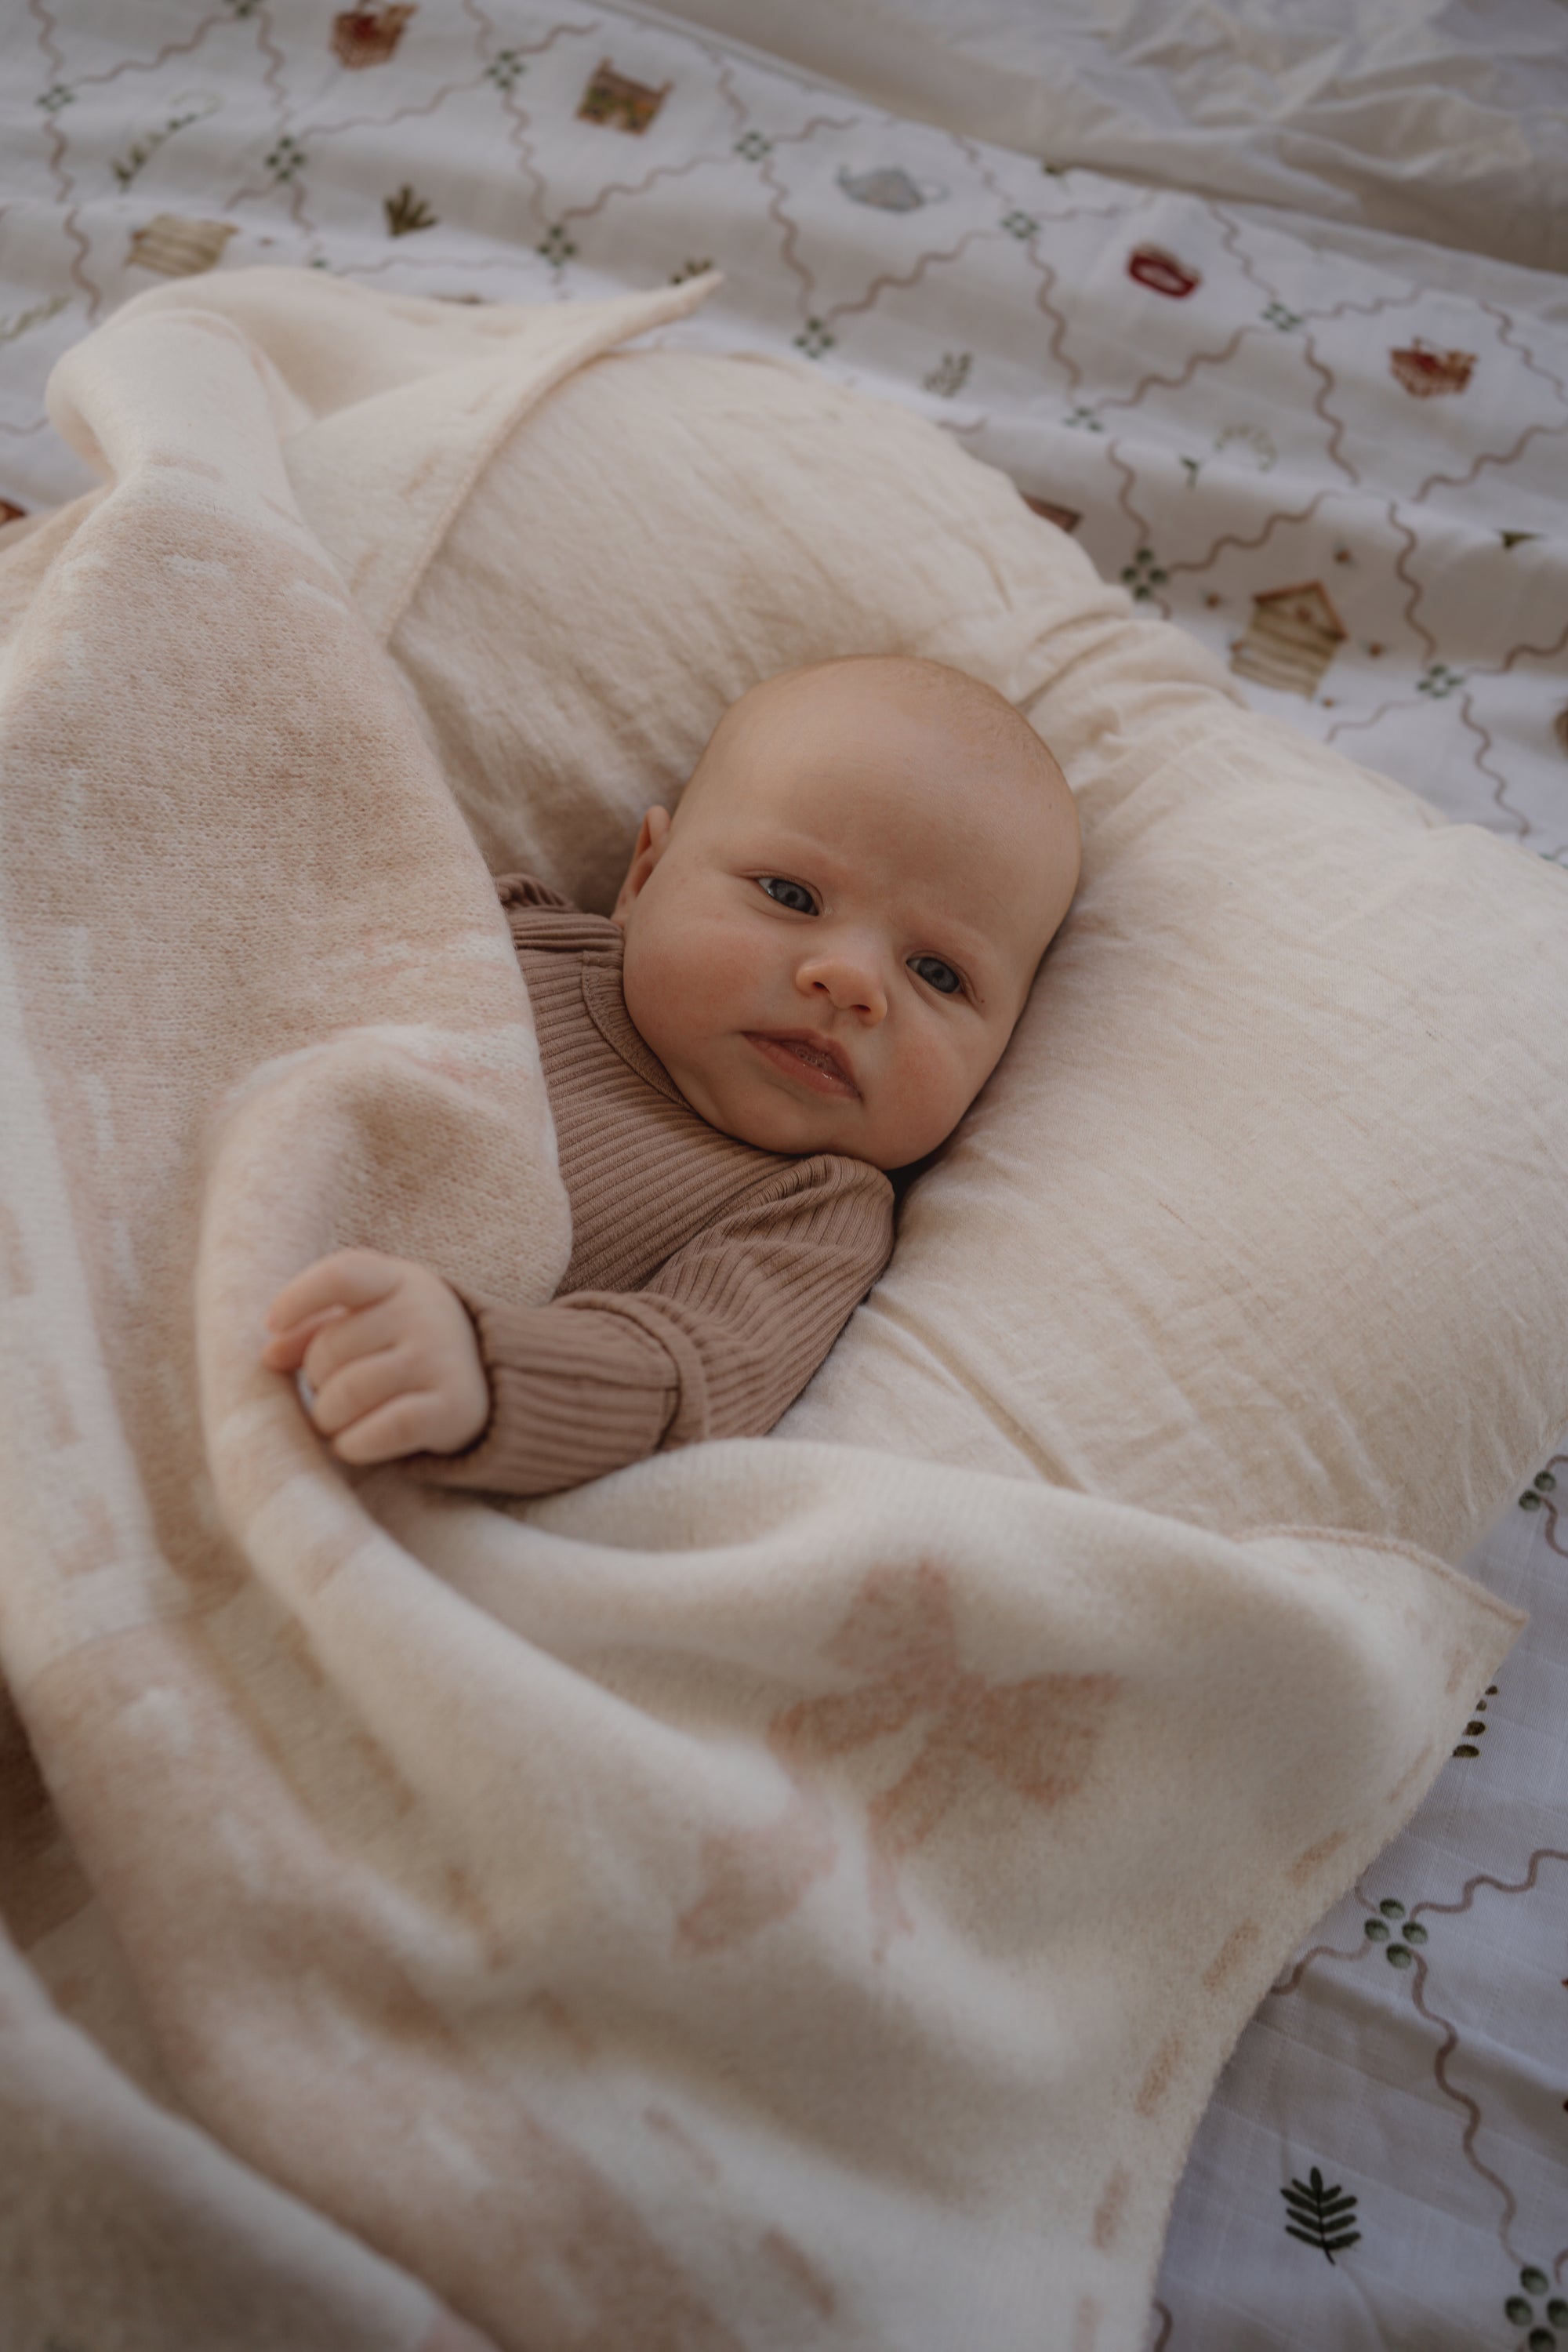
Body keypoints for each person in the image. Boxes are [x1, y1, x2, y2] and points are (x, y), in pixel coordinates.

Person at [260, 654, 1081, 1495]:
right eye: (791, 896)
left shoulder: (814, 1209)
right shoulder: (509, 936)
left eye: (937, 974)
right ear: (643, 879)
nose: (853, 983)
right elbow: (286, 962)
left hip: (356, 1419)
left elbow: (687, 1375)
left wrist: (489, 1370)